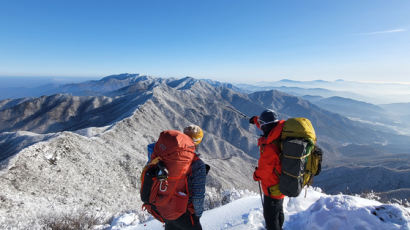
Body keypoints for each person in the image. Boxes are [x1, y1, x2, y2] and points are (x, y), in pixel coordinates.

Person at [147, 125, 208, 230]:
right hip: (184, 212)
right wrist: (197, 215)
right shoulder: (197, 165)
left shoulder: (165, 155)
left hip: (164, 208)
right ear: (198, 142)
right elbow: (198, 197)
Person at [249, 109, 285, 230]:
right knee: (278, 211)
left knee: (270, 217)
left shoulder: (270, 147)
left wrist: (256, 175)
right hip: (282, 182)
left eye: (262, 125)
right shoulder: (278, 133)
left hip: (272, 187)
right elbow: (267, 126)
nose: (262, 128)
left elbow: (264, 170)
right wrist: (256, 120)